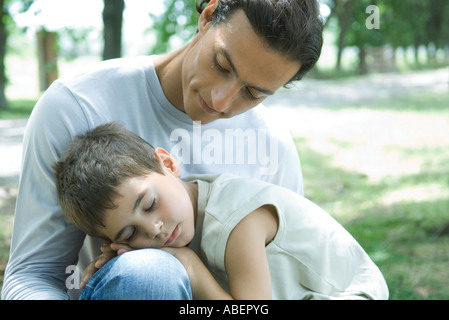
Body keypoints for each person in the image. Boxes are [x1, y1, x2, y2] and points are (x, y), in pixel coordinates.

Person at [2, 0, 324, 299]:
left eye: (252, 94)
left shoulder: (272, 148)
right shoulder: (75, 107)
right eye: (222, 65)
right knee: (149, 275)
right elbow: (32, 274)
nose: (220, 100)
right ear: (208, 16)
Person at [53, 122, 389, 300]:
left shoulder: (237, 217)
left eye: (149, 203)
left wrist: (189, 266)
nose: (153, 228)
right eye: (130, 234)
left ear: (168, 163)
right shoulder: (183, 216)